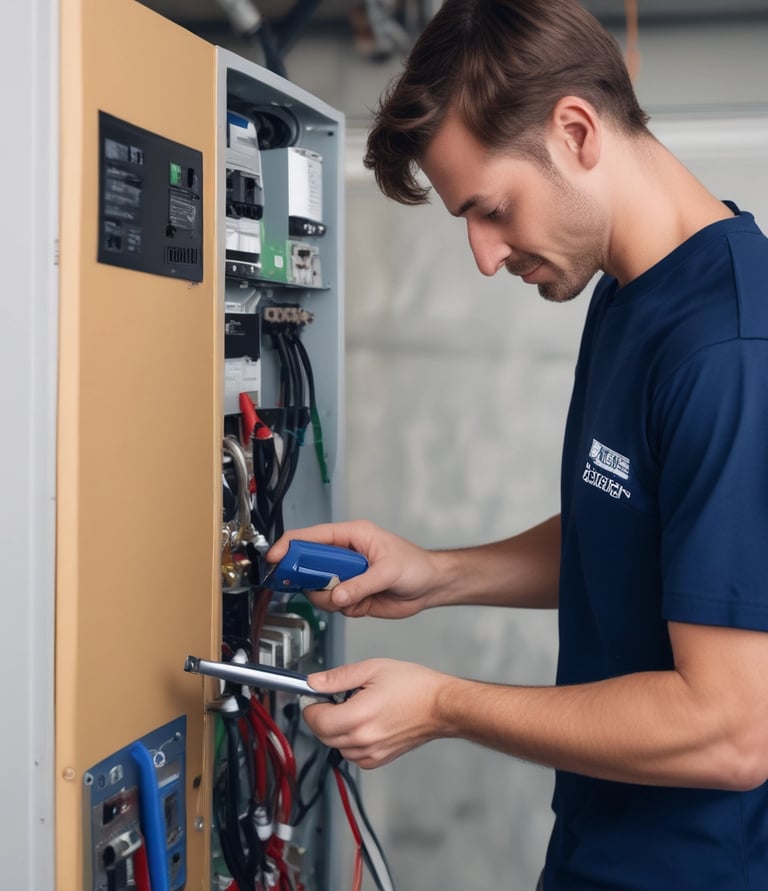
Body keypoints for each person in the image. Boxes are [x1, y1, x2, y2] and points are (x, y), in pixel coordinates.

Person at [268, 1, 768, 887]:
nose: (484, 255)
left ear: (576, 129)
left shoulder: (728, 351)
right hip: (596, 837)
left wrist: (445, 704)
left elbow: (733, 730)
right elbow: (639, 537)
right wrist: (436, 573)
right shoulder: (629, 289)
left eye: (493, 209)